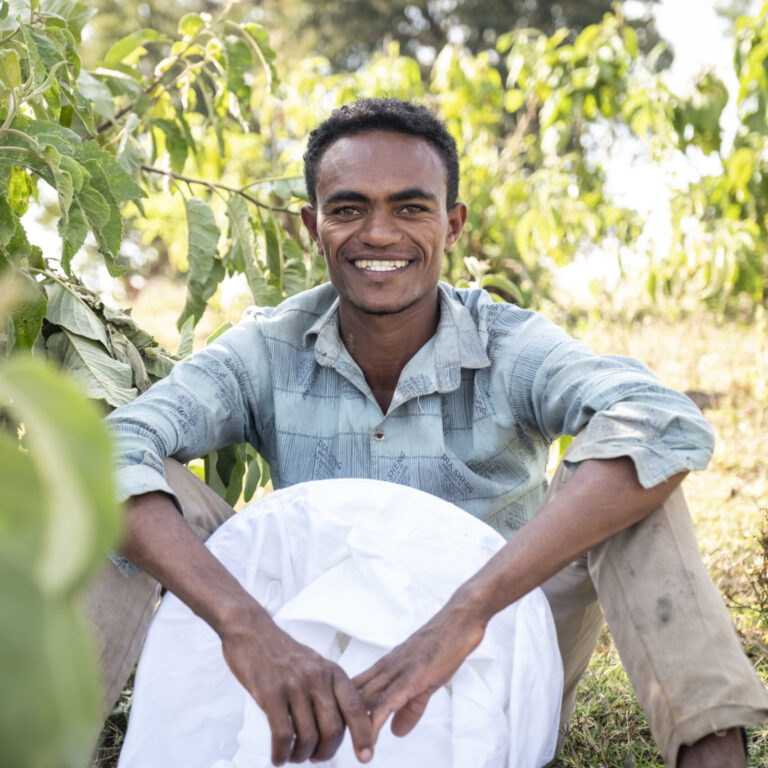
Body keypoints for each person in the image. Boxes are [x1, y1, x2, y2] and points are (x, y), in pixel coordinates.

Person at [95, 98, 768, 768]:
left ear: (451, 228)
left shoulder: (509, 344)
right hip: (311, 650)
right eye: (349, 208)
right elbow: (111, 450)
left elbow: (662, 421)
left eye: (410, 208)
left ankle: (713, 757)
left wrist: (467, 610)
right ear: (313, 226)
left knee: (634, 475)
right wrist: (247, 626)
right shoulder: (267, 347)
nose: (380, 234)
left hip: (499, 650)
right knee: (124, 490)